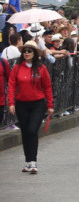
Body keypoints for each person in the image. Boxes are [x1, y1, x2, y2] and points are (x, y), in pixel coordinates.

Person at [7, 40, 54, 174]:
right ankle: (28, 161)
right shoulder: (17, 68)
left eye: (29, 51)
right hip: (21, 104)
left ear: (34, 53)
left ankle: (33, 161)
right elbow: (11, 86)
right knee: (25, 132)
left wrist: (50, 105)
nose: (26, 53)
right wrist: (11, 103)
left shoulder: (41, 68)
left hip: (38, 104)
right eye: (24, 51)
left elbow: (47, 87)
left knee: (32, 130)